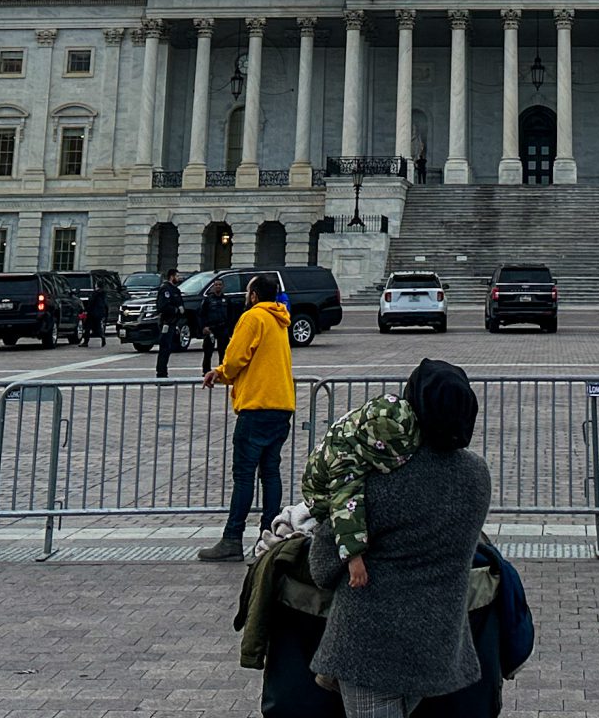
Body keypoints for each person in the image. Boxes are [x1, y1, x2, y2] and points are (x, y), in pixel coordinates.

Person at [304, 359, 491, 718]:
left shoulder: (380, 478)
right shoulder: (477, 476)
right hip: (437, 646)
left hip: (370, 648)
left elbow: (323, 564)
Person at [199, 271, 294, 562]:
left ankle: (231, 540)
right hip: (282, 405)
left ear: (253, 295)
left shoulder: (253, 317)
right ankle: (269, 538)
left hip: (257, 407)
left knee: (243, 476)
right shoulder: (280, 319)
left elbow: (237, 356)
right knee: (271, 473)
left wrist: (220, 373)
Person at [303, 387, 420, 588]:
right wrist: (354, 557)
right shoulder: (345, 459)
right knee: (347, 507)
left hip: (335, 475)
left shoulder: (363, 423)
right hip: (322, 496)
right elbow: (344, 503)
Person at [154, 266, 187, 379]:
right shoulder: (165, 289)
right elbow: (162, 306)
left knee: (168, 349)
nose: (178, 278)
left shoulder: (175, 290)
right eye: (177, 276)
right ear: (171, 277)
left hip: (173, 322)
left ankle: (164, 372)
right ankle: (161, 374)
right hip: (166, 322)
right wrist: (176, 309)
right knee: (164, 349)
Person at [199, 273, 231, 376]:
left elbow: (231, 315)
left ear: (222, 286)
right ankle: (206, 371)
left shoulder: (226, 300)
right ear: (213, 286)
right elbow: (201, 314)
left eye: (219, 285)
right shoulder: (208, 300)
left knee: (223, 351)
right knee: (208, 352)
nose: (218, 286)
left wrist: (230, 330)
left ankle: (222, 371)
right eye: (216, 285)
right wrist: (203, 327)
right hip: (210, 329)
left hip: (222, 328)